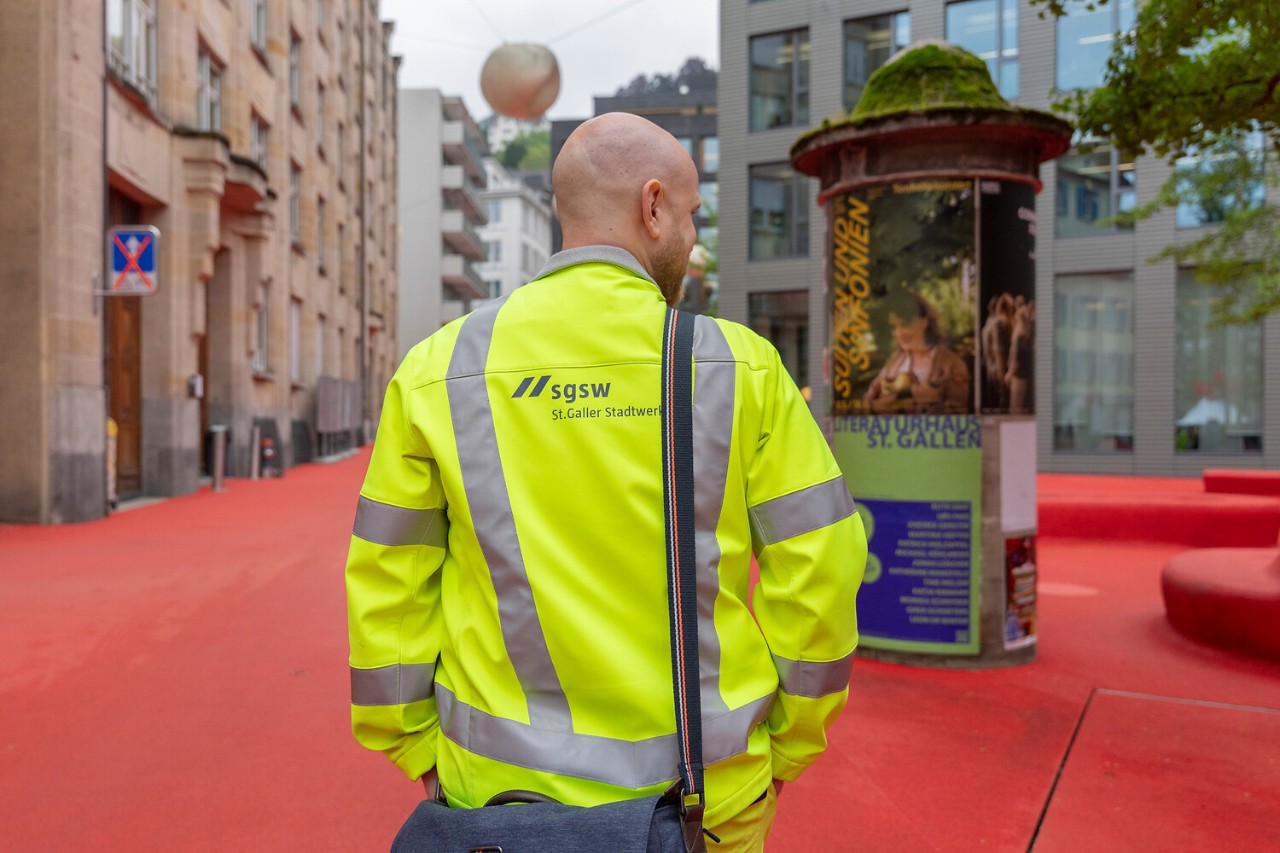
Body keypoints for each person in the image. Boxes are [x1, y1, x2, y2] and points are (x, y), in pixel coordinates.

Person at [345, 112, 866, 850]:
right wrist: (788, 745)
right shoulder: (738, 367)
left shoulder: (439, 369)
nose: (693, 239)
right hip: (708, 802)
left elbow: (387, 583)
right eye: (689, 215)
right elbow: (819, 570)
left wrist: (414, 745)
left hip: (494, 801)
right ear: (652, 207)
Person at [863, 290, 971, 414]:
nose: (899, 332)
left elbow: (958, 411)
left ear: (924, 322)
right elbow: (869, 400)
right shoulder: (896, 360)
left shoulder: (952, 364)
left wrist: (911, 395)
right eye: (894, 326)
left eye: (905, 324)